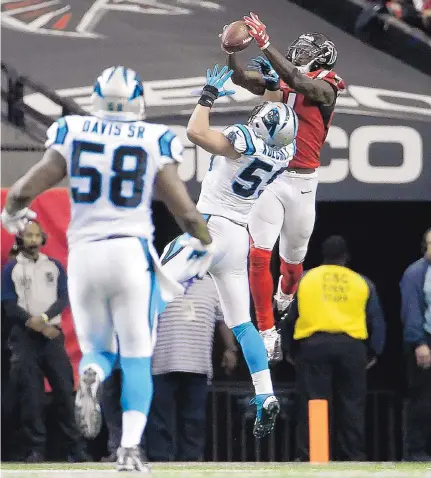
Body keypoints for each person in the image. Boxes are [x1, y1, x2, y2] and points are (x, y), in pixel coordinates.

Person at [0, 65, 214, 473]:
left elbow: (28, 187)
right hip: (128, 252)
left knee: (98, 350)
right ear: (138, 102)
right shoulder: (153, 138)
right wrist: (206, 240)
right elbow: (184, 212)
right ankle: (130, 449)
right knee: (136, 354)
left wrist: (12, 210)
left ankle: (92, 374)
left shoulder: (75, 130)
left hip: (84, 255)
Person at [161, 64, 298, 438]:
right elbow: (272, 118)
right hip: (238, 236)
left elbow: (196, 131)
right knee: (242, 324)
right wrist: (272, 85)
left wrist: (208, 95)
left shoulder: (243, 138)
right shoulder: (284, 153)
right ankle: (265, 393)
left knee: (152, 292)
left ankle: (117, 366)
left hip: (208, 228)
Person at [224, 12, 345, 362]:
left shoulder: (327, 84)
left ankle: (285, 294)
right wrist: (230, 51)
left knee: (293, 264)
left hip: (304, 183)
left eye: (305, 49)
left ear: (322, 57)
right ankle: (266, 330)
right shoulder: (281, 78)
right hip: (272, 174)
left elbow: (300, 81)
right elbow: (241, 79)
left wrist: (265, 43)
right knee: (259, 254)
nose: (298, 52)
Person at [282, 236, 386, 461]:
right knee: (352, 406)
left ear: (323, 255)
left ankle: (313, 455)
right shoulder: (362, 282)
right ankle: (352, 457)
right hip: (351, 348)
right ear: (346, 257)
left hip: (313, 347)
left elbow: (289, 317)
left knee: (314, 402)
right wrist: (374, 352)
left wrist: (289, 349)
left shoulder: (305, 279)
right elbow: (376, 320)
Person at [1, 220, 85, 462]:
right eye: (29, 236)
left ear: (43, 238)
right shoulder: (12, 268)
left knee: (64, 391)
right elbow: (7, 303)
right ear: (21, 239)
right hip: (25, 338)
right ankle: (35, 449)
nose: (34, 240)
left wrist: (45, 319)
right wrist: (32, 321)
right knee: (32, 397)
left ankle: (75, 449)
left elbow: (63, 297)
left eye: (37, 235)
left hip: (51, 335)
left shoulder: (54, 266)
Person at [146, 275, 237, 461]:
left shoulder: (213, 284)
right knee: (160, 421)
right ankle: (160, 463)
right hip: (162, 363)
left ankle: (191, 463)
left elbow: (223, 319)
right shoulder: (160, 280)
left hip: (198, 365)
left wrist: (230, 348)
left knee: (194, 421)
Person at [400, 227, 431, 461]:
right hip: (426, 342)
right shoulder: (416, 272)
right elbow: (411, 310)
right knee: (422, 399)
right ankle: (417, 451)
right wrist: (419, 343)